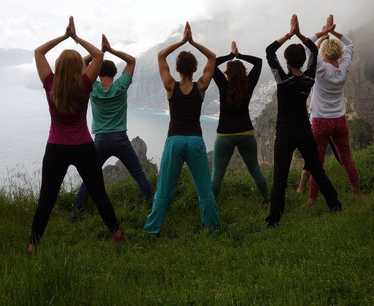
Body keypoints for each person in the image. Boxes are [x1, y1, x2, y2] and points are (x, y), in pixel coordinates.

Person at [28, 17, 123, 255]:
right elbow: (98, 57)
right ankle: (116, 233)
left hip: (56, 148)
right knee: (98, 192)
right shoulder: (84, 83)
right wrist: (76, 38)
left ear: (59, 66)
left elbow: (39, 52)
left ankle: (32, 245)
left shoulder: (50, 82)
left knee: (46, 200)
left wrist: (64, 36)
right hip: (83, 146)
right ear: (78, 67)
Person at [265, 14, 342, 228]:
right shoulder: (309, 78)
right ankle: (335, 205)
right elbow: (315, 51)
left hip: (285, 133)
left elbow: (269, 51)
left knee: (280, 176)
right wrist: (299, 34)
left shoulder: (283, 79)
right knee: (317, 170)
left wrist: (290, 34)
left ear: (287, 62)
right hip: (304, 130)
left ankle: (274, 219)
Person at [143, 22, 220, 235]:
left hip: (174, 141)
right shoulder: (201, 86)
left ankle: (152, 230)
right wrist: (192, 42)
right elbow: (212, 58)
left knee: (163, 191)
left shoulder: (171, 86)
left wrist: (182, 41)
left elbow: (160, 56)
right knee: (204, 189)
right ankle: (212, 228)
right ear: (195, 69)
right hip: (195, 141)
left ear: (176, 69)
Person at [70, 34, 154, 222]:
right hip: (119, 138)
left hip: (99, 140)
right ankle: (152, 206)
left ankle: (76, 213)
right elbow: (131, 61)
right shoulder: (120, 86)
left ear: (98, 74)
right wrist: (110, 50)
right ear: (115, 74)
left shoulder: (92, 87)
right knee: (138, 174)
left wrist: (97, 55)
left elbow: (83, 62)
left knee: (90, 178)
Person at [306, 14, 361, 204]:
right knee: (346, 158)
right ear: (338, 52)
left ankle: (312, 198)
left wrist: (323, 33)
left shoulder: (321, 69)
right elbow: (350, 45)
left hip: (320, 121)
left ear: (324, 54)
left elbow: (308, 46)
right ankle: (357, 192)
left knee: (317, 162)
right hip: (339, 120)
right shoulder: (344, 67)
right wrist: (333, 32)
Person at [210, 41, 270, 203]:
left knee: (217, 174)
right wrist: (239, 55)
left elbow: (212, 63)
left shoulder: (224, 85)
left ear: (227, 74)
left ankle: (209, 207)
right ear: (244, 72)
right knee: (255, 169)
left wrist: (231, 56)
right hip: (246, 133)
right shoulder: (248, 85)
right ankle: (267, 200)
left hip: (224, 134)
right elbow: (258, 62)